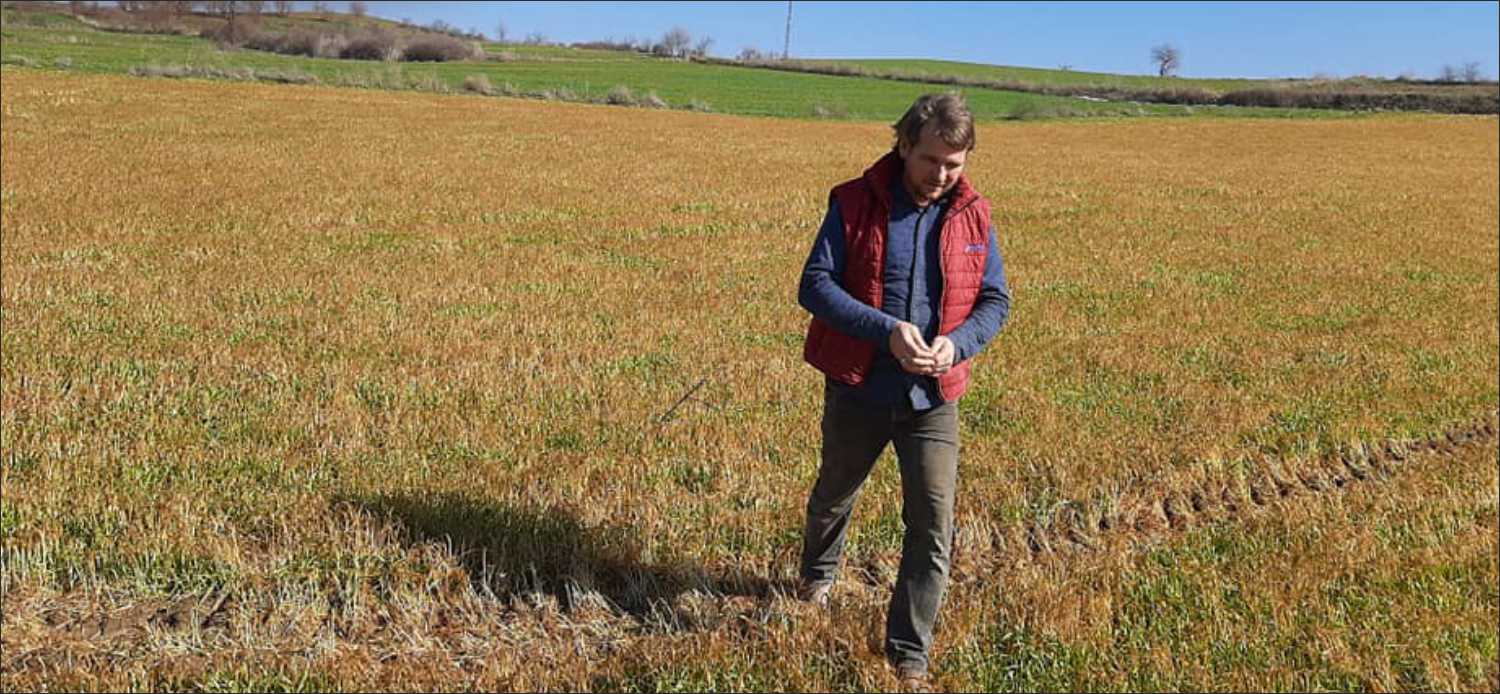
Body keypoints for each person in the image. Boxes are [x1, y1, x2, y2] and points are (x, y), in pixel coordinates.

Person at [795, 92, 1011, 688]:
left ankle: (908, 652)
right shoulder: (852, 201)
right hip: (859, 387)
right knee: (834, 494)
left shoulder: (975, 214)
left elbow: (996, 300)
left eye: (955, 165)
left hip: (933, 399)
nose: (941, 176)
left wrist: (957, 345)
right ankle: (817, 576)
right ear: (904, 145)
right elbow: (814, 285)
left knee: (932, 525)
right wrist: (886, 332)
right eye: (931, 161)